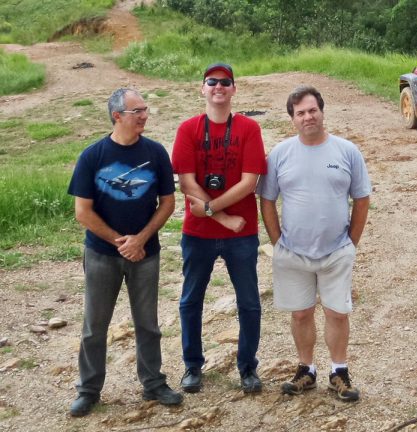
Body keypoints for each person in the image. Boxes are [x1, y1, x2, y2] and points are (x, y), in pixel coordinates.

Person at [67, 88, 182, 417]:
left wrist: (141, 239)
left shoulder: (156, 152)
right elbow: (82, 212)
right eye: (137, 111)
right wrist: (122, 242)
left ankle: (153, 383)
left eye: (145, 109)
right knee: (95, 325)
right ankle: (88, 390)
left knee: (148, 323)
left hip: (146, 253)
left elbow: (168, 203)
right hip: (101, 254)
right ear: (117, 116)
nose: (145, 116)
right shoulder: (92, 156)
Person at [257, 85, 371, 402]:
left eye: (312, 110)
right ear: (292, 118)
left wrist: (351, 243)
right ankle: (306, 370)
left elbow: (362, 198)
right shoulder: (280, 154)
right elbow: (267, 200)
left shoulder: (347, 151)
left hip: (336, 250)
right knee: (300, 314)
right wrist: (278, 242)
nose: (307, 117)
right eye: (300, 113)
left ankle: (339, 372)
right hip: (293, 252)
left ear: (322, 111)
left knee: (337, 313)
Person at [171, 63, 267, 394]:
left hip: (242, 234)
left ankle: (248, 367)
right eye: (212, 81)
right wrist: (222, 217)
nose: (218, 87)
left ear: (234, 89)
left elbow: (250, 182)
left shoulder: (249, 128)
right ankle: (192, 366)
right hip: (199, 233)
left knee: (249, 302)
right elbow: (186, 182)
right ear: (202, 88)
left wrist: (210, 208)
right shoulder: (188, 129)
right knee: (190, 301)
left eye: (225, 82)